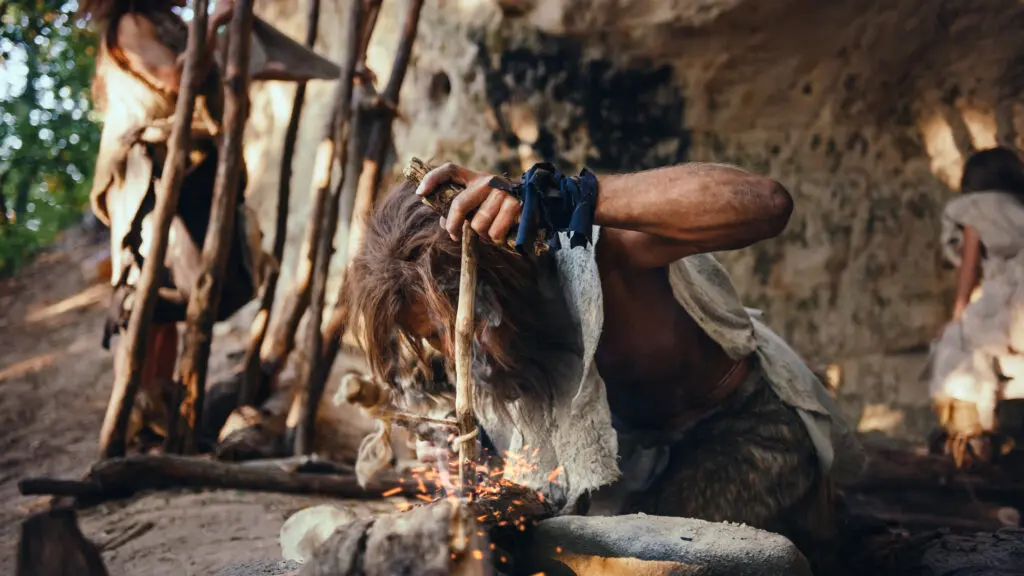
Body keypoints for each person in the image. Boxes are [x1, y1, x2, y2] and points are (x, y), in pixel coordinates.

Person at [345, 159, 865, 568]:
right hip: (630, 462)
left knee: (654, 557)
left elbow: (769, 203)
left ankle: (825, 532)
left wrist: (569, 200)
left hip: (743, 432)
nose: (450, 349)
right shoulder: (486, 349)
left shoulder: (592, 251)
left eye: (446, 327)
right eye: (430, 337)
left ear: (496, 280)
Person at [81, 0, 266, 446]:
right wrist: (217, 21)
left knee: (168, 299)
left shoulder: (169, 23)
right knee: (147, 293)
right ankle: (139, 419)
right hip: (148, 176)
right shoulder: (131, 23)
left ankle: (161, 415)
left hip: (181, 172)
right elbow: (178, 80)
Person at [929, 146, 1024, 467]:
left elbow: (969, 270)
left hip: (1002, 300)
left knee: (957, 352)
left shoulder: (975, 210)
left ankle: (973, 440)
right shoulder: (1018, 208)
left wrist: (957, 317)